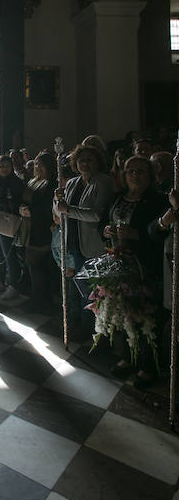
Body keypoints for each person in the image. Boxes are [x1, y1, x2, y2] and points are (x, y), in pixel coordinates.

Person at [102, 155, 166, 387]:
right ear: (124, 174)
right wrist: (107, 230)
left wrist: (136, 235)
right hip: (118, 264)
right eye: (130, 171)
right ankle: (127, 357)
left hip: (144, 267)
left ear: (150, 175)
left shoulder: (158, 201)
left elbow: (161, 235)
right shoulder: (117, 197)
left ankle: (149, 366)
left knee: (146, 317)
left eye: (141, 171)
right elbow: (104, 222)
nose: (135, 175)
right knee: (122, 313)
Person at [54, 144, 115, 336]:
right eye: (81, 160)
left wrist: (68, 209)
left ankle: (95, 330)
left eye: (90, 160)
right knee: (79, 288)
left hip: (92, 244)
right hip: (72, 243)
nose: (85, 164)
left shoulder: (103, 182)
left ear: (98, 162)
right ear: (75, 163)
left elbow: (98, 214)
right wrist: (57, 202)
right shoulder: (72, 183)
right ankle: (80, 324)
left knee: (94, 291)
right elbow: (61, 214)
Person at [18, 151, 57, 313]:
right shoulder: (34, 181)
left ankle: (40, 300)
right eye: (36, 164)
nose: (37, 167)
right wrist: (21, 208)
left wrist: (31, 212)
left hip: (40, 230)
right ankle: (36, 296)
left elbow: (48, 207)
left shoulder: (51, 184)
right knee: (31, 266)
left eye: (41, 165)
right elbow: (24, 198)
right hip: (28, 227)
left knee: (37, 266)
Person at [0, 154, 24, 296]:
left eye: (7, 166)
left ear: (11, 167)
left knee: (8, 253)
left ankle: (13, 284)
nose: (4, 169)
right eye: (1, 166)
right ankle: (1, 280)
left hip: (8, 221)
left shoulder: (15, 182)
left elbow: (14, 204)